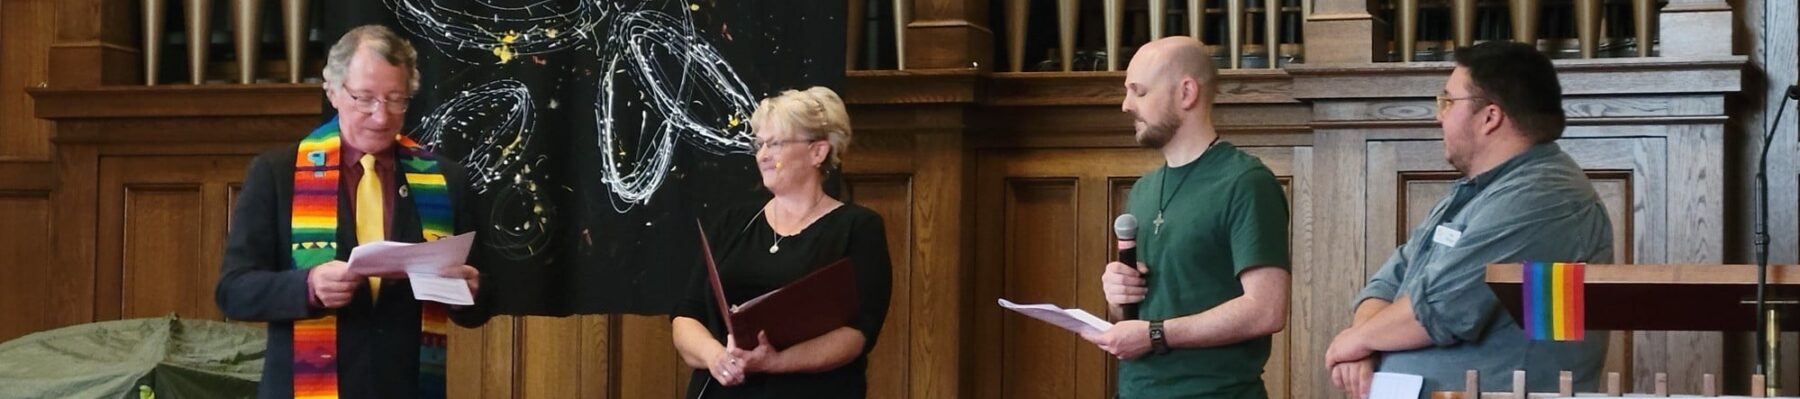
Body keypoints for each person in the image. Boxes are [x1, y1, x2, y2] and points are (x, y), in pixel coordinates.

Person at [1324, 41, 1612, 398]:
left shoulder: (1545, 196)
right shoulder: (1474, 192)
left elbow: (1440, 309)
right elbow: (1387, 282)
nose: (1438, 115)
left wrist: (1356, 341)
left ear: (1490, 117)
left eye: (1448, 101)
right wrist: (1362, 344)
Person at [215, 25, 490, 399]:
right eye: (365, 98)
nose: (381, 116)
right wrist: (308, 286)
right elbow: (233, 292)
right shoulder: (278, 174)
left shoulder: (444, 179)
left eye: (396, 99)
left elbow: (482, 299)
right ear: (333, 91)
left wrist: (470, 292)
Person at [1084, 36, 1293, 399]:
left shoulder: (1245, 182)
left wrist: (1154, 333)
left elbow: (1266, 310)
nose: (1126, 105)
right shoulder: (1143, 190)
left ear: (1186, 93)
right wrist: (1119, 296)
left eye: (1140, 92)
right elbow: (1138, 312)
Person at [670, 87, 894, 398]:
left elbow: (857, 334)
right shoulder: (733, 223)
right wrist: (716, 357)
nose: (762, 155)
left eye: (775, 144)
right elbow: (686, 315)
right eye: (759, 144)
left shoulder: (857, 227)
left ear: (818, 152)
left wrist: (775, 362)